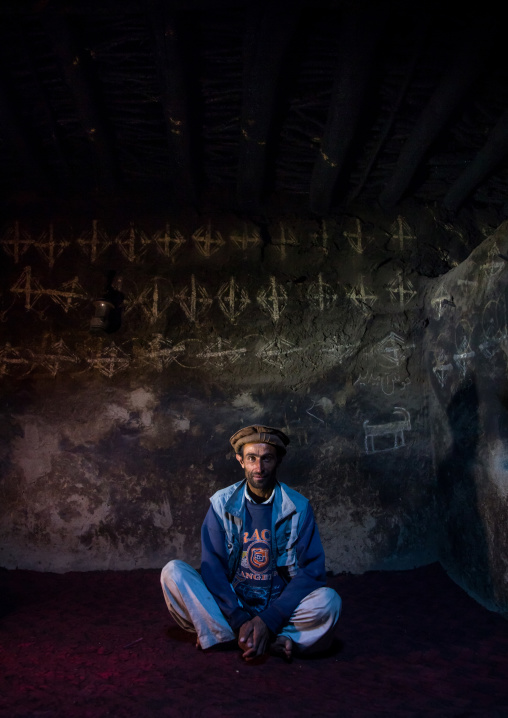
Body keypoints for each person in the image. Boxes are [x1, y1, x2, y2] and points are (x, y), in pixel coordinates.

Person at [160, 424, 342, 661]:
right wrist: (238, 618)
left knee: (329, 601)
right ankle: (255, 636)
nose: (259, 467)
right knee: (173, 572)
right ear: (240, 460)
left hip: (280, 609)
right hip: (232, 607)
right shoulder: (221, 504)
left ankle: (241, 635)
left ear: (278, 461)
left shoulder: (299, 507)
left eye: (267, 459)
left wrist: (270, 619)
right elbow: (213, 568)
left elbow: (312, 571)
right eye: (252, 458)